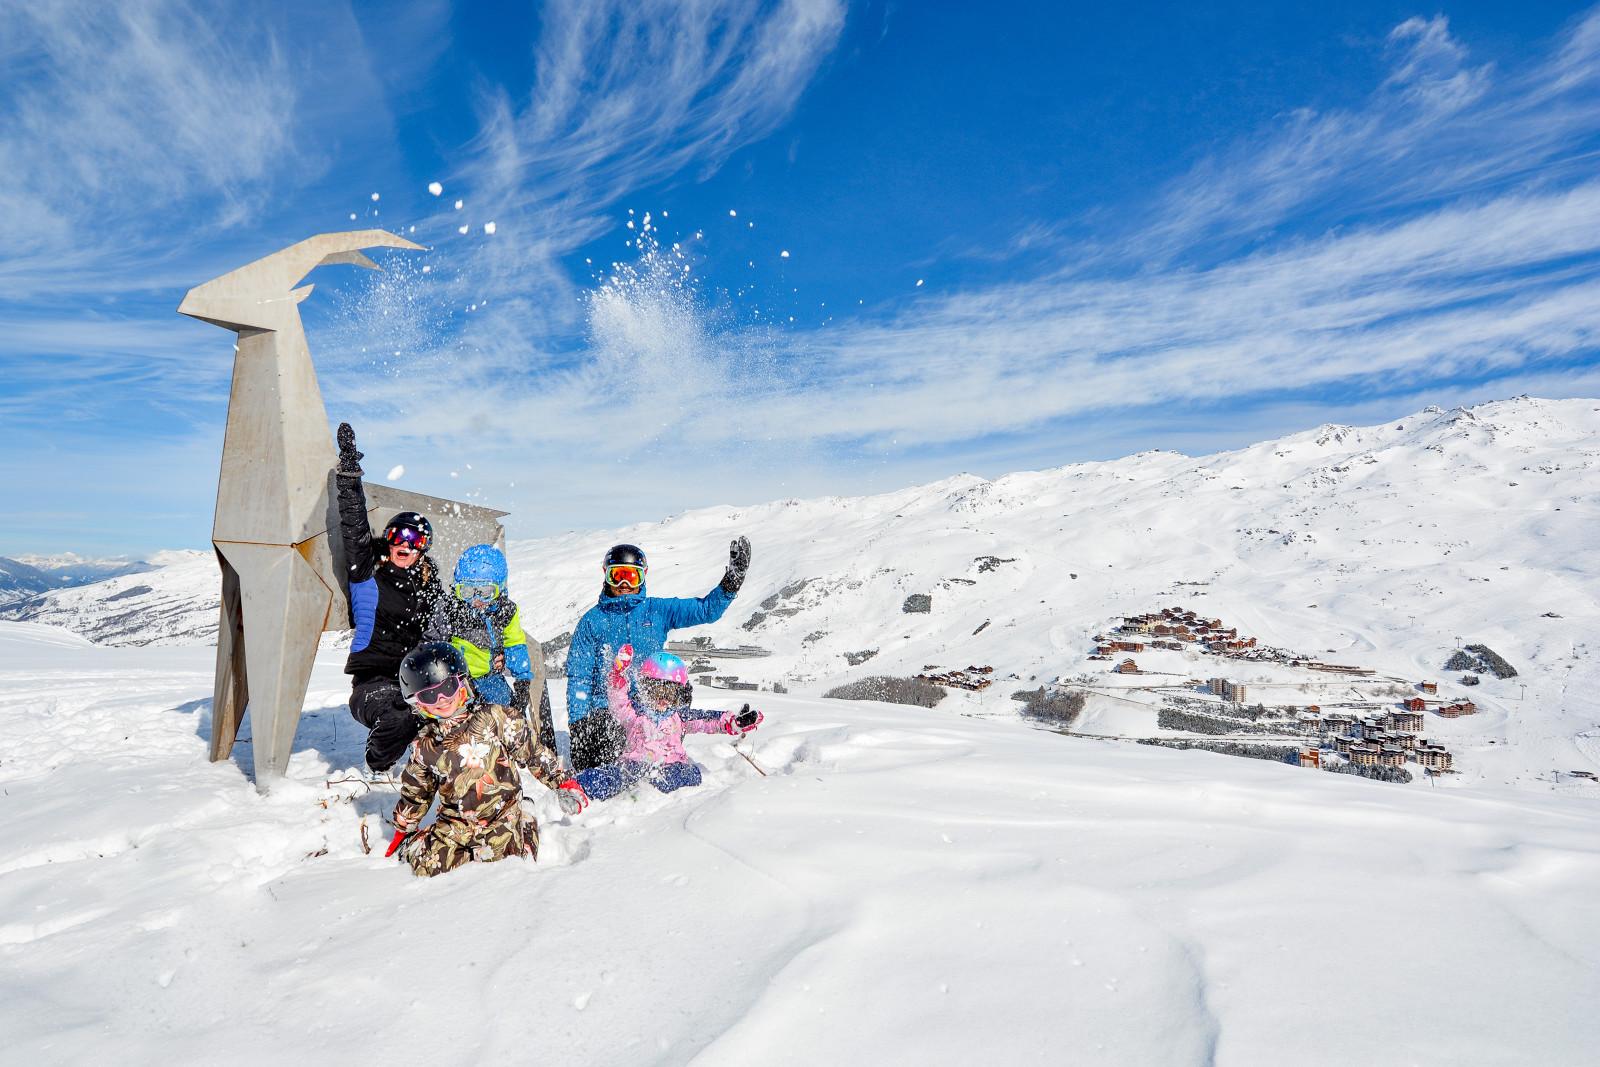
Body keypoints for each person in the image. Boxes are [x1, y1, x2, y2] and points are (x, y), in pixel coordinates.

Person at [384, 642, 589, 878]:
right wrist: (404, 827)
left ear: (461, 683)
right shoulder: (426, 745)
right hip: (456, 823)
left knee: (503, 865)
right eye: (430, 695)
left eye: (448, 688)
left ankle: (526, 819)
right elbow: (416, 790)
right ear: (417, 703)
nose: (441, 699)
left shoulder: (493, 718)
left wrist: (561, 781)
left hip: (501, 815)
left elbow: (531, 750)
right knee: (428, 867)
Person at [565, 538, 752, 772]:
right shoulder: (592, 621)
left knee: (680, 689)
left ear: (643, 576)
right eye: (617, 575)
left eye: (631, 576)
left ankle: (666, 749)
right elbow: (579, 677)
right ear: (606, 575)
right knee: (606, 765)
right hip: (611, 710)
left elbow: (706, 611)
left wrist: (732, 581)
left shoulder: (657, 610)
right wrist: (579, 724)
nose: (624, 583)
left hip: (653, 705)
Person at [336, 422, 445, 772]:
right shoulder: (368, 572)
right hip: (373, 683)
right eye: (399, 536)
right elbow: (353, 526)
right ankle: (379, 764)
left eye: (414, 541)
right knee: (401, 717)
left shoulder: (429, 586)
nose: (404, 545)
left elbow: (451, 620)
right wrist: (350, 474)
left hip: (417, 679)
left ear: (423, 550)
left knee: (453, 716)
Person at [575, 646, 762, 801]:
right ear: (644, 688)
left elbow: (708, 721)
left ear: (679, 695)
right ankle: (576, 788)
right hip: (634, 766)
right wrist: (617, 675)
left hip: (671, 766)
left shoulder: (679, 716)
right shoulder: (633, 714)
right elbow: (618, 700)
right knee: (611, 776)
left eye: (670, 694)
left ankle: (653, 784)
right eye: (657, 691)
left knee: (691, 774)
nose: (663, 699)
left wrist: (734, 723)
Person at [425, 543, 556, 751]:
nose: (476, 600)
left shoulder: (505, 611)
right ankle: (451, 748)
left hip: (489, 676)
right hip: (456, 680)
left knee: (507, 712)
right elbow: (432, 644)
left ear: (500, 588)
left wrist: (522, 678)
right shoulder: (450, 609)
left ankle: (508, 750)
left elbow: (515, 643)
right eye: (467, 591)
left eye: (485, 592)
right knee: (457, 718)